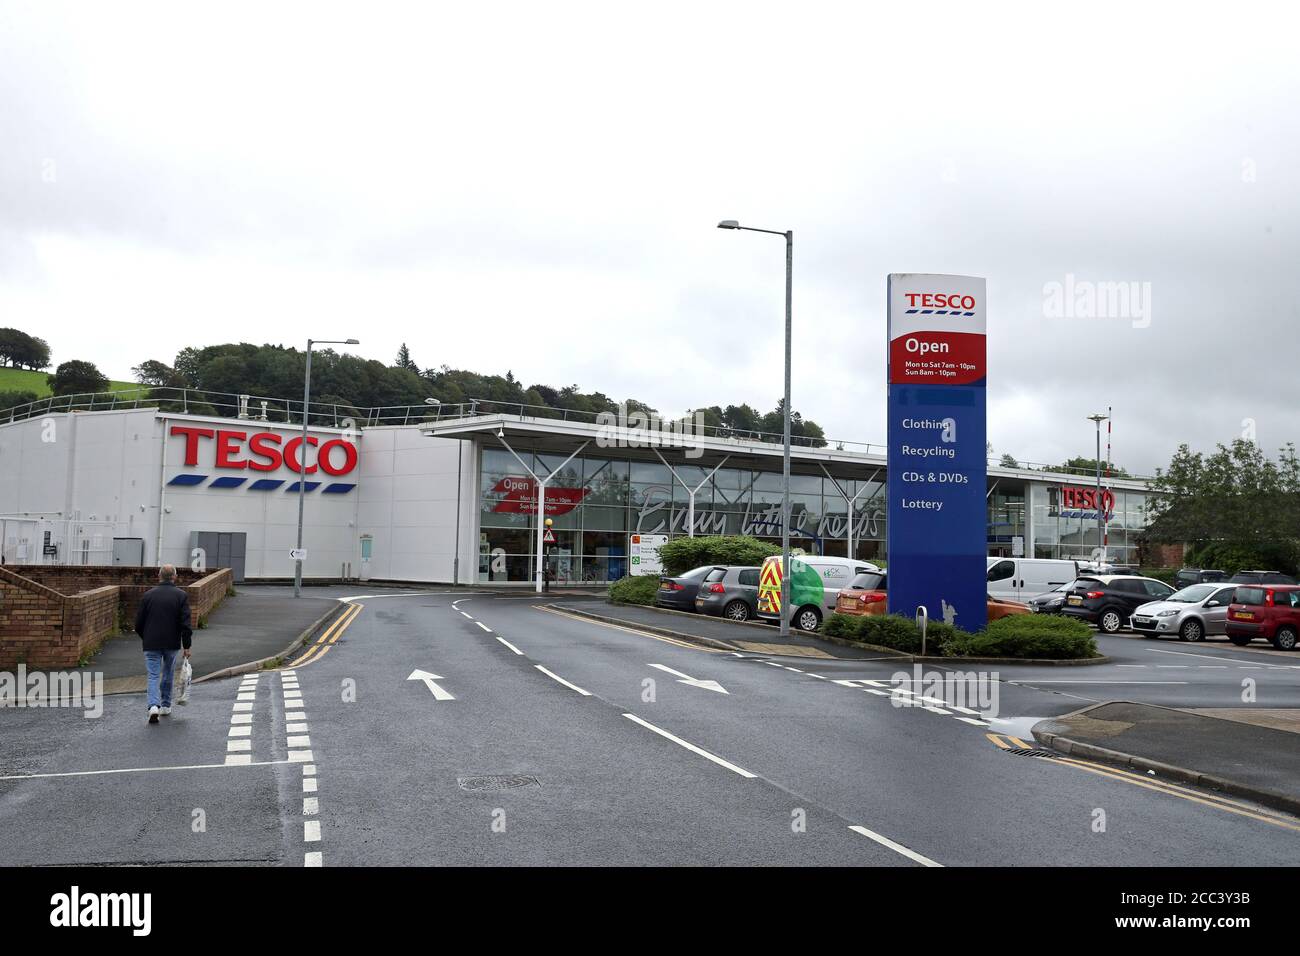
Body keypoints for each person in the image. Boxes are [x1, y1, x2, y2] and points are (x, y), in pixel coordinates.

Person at [135, 565, 194, 724]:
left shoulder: (148, 596)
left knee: (153, 675)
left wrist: (146, 637)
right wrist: (186, 645)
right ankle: (166, 705)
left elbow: (138, 623)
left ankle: (153, 706)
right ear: (174, 577)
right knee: (168, 673)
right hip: (171, 643)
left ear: (158, 576)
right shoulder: (181, 596)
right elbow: (186, 624)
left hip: (151, 642)